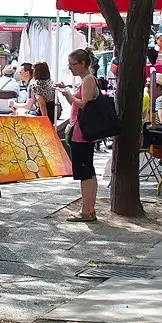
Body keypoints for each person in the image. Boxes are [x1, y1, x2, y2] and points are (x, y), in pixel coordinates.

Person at [57, 49, 99, 222]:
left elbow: (83, 104)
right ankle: (88, 208)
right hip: (81, 130)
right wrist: (67, 92)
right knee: (88, 170)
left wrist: (68, 94)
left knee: (85, 172)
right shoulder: (86, 80)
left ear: (83, 64)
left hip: (82, 132)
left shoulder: (88, 80)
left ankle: (87, 210)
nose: (71, 68)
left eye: (73, 64)